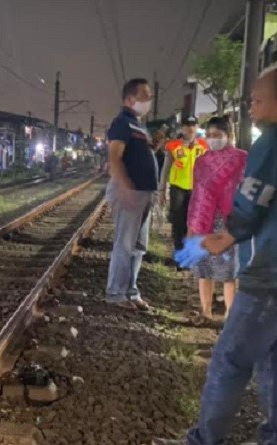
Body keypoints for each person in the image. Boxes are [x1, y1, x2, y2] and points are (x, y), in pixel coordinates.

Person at [156, 66, 277, 445]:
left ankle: (203, 440)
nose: (251, 107)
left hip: (274, 271)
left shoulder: (274, 143)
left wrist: (222, 239)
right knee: (276, 360)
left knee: (230, 360)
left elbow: (253, 202)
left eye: (257, 100)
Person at [186, 116, 247, 323]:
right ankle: (206, 312)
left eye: (217, 135)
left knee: (229, 271)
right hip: (205, 220)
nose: (213, 139)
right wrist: (192, 225)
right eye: (210, 135)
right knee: (205, 269)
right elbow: (197, 194)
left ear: (229, 136)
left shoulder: (241, 159)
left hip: (229, 221)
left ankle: (230, 315)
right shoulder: (202, 161)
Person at [106, 78, 158, 311]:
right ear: (129, 99)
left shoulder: (138, 125)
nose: (149, 100)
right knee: (124, 245)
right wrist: (124, 185)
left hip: (143, 192)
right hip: (130, 191)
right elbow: (114, 158)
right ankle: (116, 293)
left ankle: (131, 291)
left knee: (138, 246)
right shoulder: (122, 123)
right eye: (145, 96)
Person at [159, 116, 208, 257]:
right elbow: (165, 170)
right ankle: (180, 254)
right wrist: (162, 191)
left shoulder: (204, 146)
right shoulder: (174, 146)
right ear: (182, 128)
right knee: (179, 222)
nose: (190, 128)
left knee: (194, 223)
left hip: (197, 190)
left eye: (193, 125)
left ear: (197, 127)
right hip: (178, 189)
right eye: (187, 125)